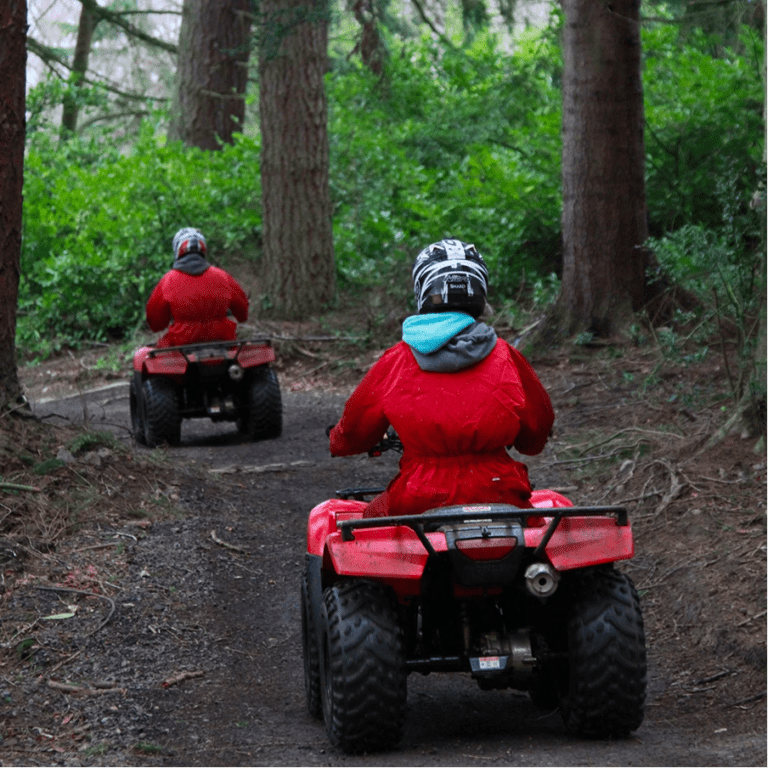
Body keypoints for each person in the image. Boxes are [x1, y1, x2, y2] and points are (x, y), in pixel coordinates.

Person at [328, 238, 554, 519]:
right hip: (501, 492)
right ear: (480, 292)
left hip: (420, 496)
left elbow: (352, 434)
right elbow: (536, 435)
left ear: (423, 290)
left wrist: (337, 441)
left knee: (350, 529)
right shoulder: (506, 356)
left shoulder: (397, 360)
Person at [146, 227, 249, 348]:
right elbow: (243, 313)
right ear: (203, 249)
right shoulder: (222, 276)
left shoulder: (168, 280)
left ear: (178, 249)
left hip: (182, 342)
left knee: (145, 356)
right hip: (223, 339)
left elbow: (155, 323)